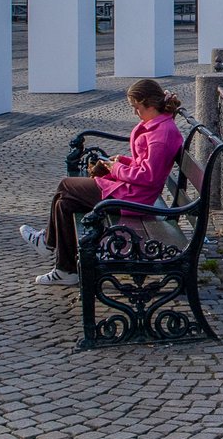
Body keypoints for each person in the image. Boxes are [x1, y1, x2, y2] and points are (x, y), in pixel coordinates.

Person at [20, 78, 183, 287]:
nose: (136, 113)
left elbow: (148, 175)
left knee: (66, 185)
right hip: (132, 191)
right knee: (65, 203)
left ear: (150, 104)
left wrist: (116, 169)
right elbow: (146, 164)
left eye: (137, 107)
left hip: (133, 198)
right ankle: (65, 270)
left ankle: (48, 243)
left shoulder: (161, 133)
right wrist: (121, 161)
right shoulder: (158, 126)